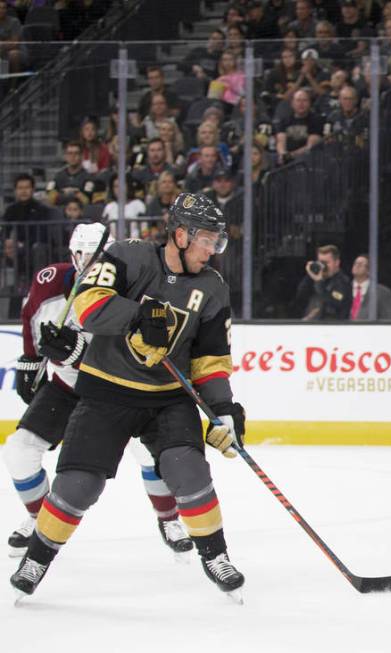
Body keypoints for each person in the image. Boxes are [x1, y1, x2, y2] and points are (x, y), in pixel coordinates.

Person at [10, 193, 246, 600]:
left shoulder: (212, 288)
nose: (212, 250)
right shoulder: (128, 256)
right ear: (180, 234)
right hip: (105, 392)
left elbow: (210, 360)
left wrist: (223, 408)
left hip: (169, 399)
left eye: (216, 242)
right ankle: (37, 558)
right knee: (78, 485)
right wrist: (139, 316)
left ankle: (216, 555)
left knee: (188, 471)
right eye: (206, 239)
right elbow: (87, 304)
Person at [4, 224, 193, 559]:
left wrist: (77, 353)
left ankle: (168, 519)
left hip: (117, 390)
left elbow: (132, 353)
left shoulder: (131, 286)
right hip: (66, 387)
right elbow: (31, 317)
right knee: (20, 449)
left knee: (149, 454)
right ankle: (39, 518)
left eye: (99, 256)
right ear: (73, 254)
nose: (91, 262)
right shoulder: (49, 281)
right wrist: (31, 359)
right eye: (85, 255)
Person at [291, 244, 353, 321]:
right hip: (312, 325)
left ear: (337, 263)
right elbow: (300, 296)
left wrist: (319, 282)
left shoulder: (343, 282)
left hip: (333, 328)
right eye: (320, 262)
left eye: (326, 263)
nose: (323, 266)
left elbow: (334, 303)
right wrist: (310, 274)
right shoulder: (317, 278)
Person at [349, 255, 391, 320]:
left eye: (360, 264)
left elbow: (388, 319)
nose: (356, 266)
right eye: (355, 263)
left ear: (369, 270)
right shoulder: (343, 288)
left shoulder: (383, 293)